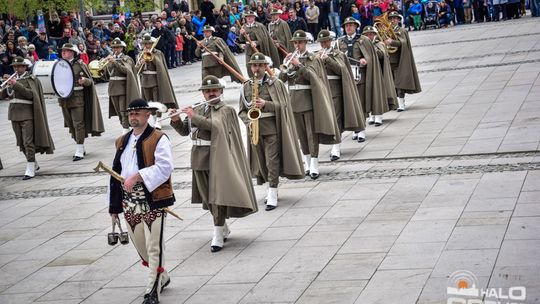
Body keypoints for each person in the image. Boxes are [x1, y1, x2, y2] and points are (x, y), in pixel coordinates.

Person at [169, 75, 258, 252]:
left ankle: (217, 232)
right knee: (208, 197)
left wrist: (193, 116)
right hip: (198, 157)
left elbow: (215, 126)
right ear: (203, 93)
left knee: (217, 196)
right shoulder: (199, 108)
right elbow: (185, 131)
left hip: (217, 158)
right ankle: (222, 224)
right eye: (207, 91)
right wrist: (176, 120)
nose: (211, 94)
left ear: (221, 91)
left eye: (214, 90)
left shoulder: (225, 110)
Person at [108, 99, 175, 304]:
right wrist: (114, 207)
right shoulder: (122, 140)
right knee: (141, 247)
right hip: (129, 202)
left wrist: (138, 176)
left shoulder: (158, 138)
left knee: (154, 247)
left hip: (152, 199)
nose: (133, 117)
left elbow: (165, 168)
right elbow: (115, 173)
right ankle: (162, 276)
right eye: (131, 114)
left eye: (138, 113)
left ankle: (152, 290)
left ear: (148, 115)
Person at [239, 53, 304, 210]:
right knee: (261, 161)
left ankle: (273, 192)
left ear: (265, 66)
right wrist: (248, 122)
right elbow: (241, 111)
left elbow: (284, 106)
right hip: (255, 129)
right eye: (254, 66)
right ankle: (269, 188)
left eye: (260, 65)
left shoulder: (276, 83)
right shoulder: (246, 86)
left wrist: (266, 104)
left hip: (272, 128)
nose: (257, 68)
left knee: (271, 161)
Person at [279, 30, 340, 179]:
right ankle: (306, 161)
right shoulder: (291, 58)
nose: (297, 45)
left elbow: (313, 77)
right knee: (300, 135)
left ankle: (314, 163)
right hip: (293, 101)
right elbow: (281, 79)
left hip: (308, 101)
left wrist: (299, 65)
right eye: (295, 43)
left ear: (305, 43)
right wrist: (285, 64)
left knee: (311, 134)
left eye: (300, 42)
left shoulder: (313, 58)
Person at [0, 57, 54, 180]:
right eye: (14, 66)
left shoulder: (31, 79)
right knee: (21, 142)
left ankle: (30, 167)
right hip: (14, 114)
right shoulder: (13, 80)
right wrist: (6, 85)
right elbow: (4, 95)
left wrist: (15, 84)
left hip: (27, 114)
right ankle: (33, 163)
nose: (16, 69)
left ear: (24, 67)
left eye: (18, 66)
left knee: (28, 142)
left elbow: (30, 95)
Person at [316, 30, 365, 161]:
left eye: (325, 41)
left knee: (336, 120)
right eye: (321, 42)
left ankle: (336, 147)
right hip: (322, 91)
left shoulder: (337, 53)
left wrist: (328, 59)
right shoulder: (317, 54)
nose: (323, 44)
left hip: (335, 91)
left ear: (330, 41)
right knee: (328, 120)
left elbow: (341, 70)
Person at [59, 43, 105, 161]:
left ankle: (79, 148)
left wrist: (84, 80)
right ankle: (80, 145)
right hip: (64, 99)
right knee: (70, 124)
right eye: (63, 50)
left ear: (73, 53)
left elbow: (90, 82)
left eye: (67, 50)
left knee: (78, 123)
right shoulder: (59, 65)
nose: (63, 52)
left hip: (77, 98)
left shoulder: (80, 65)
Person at [135, 34, 178, 129]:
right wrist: (141, 63)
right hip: (145, 81)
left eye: (148, 44)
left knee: (157, 101)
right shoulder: (140, 54)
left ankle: (159, 120)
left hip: (155, 80)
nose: (146, 46)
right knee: (149, 102)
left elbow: (160, 65)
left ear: (152, 44)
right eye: (145, 44)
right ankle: (154, 119)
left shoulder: (157, 53)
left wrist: (151, 58)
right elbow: (137, 70)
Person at [384, 11, 421, 111]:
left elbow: (402, 43)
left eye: (395, 18)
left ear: (398, 20)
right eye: (391, 19)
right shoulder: (385, 31)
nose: (392, 21)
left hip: (399, 60)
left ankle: (401, 103)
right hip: (387, 60)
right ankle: (394, 103)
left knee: (399, 82)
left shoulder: (402, 30)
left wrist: (392, 42)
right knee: (390, 83)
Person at [362, 25, 397, 125]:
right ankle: (372, 115)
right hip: (367, 73)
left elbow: (382, 55)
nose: (369, 36)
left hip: (379, 73)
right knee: (369, 94)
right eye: (367, 35)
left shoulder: (378, 44)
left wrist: (372, 49)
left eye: (371, 34)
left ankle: (379, 116)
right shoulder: (361, 44)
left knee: (378, 94)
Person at [108, 38, 141, 134]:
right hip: (112, 88)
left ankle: (126, 128)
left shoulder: (127, 58)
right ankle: (125, 126)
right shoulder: (110, 58)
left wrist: (115, 63)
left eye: (117, 47)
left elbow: (127, 71)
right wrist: (109, 64)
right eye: (113, 48)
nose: (115, 49)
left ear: (122, 48)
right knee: (118, 111)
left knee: (123, 110)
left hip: (122, 88)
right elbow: (107, 73)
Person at [239, 10, 280, 77]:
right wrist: (241, 33)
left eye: (251, 17)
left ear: (254, 17)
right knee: (248, 65)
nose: (249, 18)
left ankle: (262, 77)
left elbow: (264, 39)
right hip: (249, 50)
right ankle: (252, 79)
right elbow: (241, 39)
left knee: (260, 65)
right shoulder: (243, 27)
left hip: (258, 49)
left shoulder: (260, 26)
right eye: (247, 17)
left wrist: (256, 43)